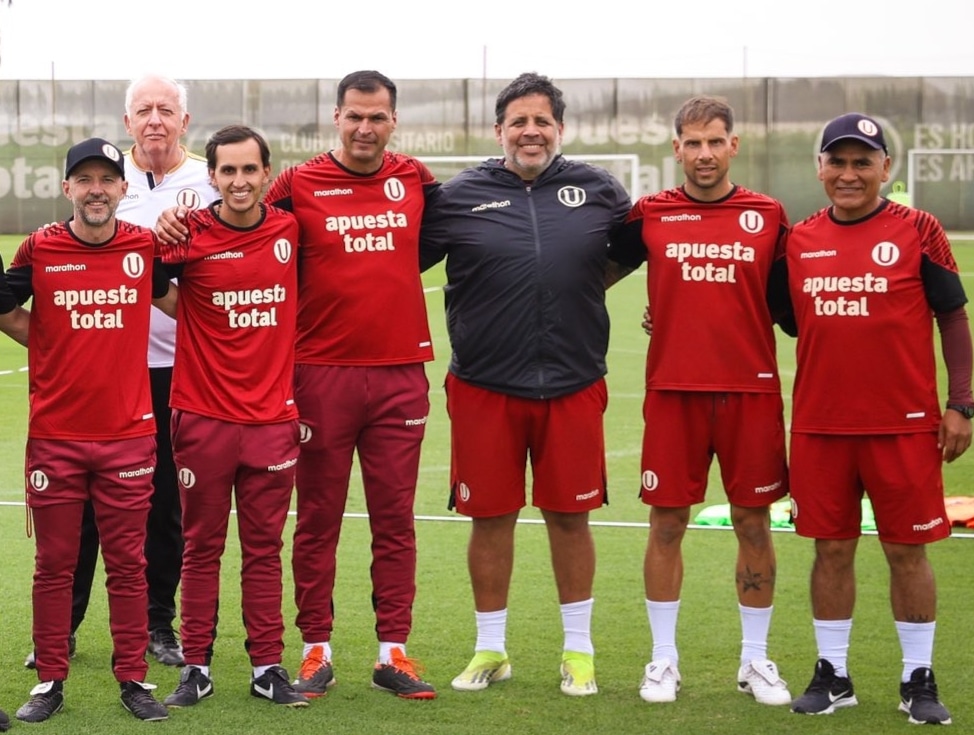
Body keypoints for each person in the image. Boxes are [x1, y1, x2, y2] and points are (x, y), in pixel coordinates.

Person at [157, 70, 439, 700]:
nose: (365, 128)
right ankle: (315, 650)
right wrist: (181, 219)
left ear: (393, 120)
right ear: (335, 117)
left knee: (395, 520)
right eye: (354, 116)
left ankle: (394, 651)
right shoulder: (298, 183)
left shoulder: (417, 179)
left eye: (378, 117)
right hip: (317, 376)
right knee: (316, 520)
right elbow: (237, 211)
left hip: (400, 375)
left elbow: (451, 243)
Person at [419, 72, 633, 697]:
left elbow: (632, 253)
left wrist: (580, 292)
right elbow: (395, 264)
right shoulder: (459, 196)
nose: (530, 131)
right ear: (499, 130)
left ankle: (579, 651)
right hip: (485, 383)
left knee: (571, 518)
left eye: (542, 121)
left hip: (572, 381)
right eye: (519, 121)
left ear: (559, 130)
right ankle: (491, 648)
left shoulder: (599, 190)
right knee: (491, 518)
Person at [784, 112, 974, 725]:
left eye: (862, 162)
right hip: (821, 427)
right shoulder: (799, 239)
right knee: (831, 552)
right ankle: (833, 674)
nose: (848, 173)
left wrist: (960, 403)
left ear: (885, 169)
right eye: (836, 162)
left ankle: (917, 678)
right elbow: (764, 312)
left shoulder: (920, 228)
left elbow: (953, 317)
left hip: (904, 425)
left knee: (907, 553)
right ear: (819, 168)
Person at [24, 74, 215, 671]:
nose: (155, 119)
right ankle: (65, 626)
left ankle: (159, 624)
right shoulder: (107, 185)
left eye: (166, 109)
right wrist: (54, 345)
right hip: (105, 374)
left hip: (182, 372)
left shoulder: (214, 181)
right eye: (143, 110)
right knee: (75, 510)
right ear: (127, 122)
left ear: (185, 120)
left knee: (164, 507)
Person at [610, 96, 792, 706]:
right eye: (692, 143)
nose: (704, 154)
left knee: (752, 522)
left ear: (733, 145)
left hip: (750, 394)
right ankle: (663, 661)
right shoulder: (651, 215)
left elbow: (794, 306)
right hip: (673, 395)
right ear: (676, 149)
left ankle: (755, 661)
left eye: (715, 142)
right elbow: (591, 274)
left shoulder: (767, 215)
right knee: (666, 524)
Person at [2, 138, 173, 723]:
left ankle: (133, 679)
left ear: (124, 189)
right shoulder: (39, 249)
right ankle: (50, 680)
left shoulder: (144, 248)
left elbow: (183, 304)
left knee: (128, 565)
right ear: (67, 188)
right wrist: (46, 343)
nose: (96, 189)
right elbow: (4, 306)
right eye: (85, 179)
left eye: (107, 178)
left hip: (129, 437)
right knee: (54, 565)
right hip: (56, 438)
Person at [154, 125, 307, 708]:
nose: (239, 182)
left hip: (272, 421)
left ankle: (268, 666)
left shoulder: (291, 229)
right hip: (203, 418)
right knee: (202, 548)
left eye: (249, 170)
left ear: (267, 174)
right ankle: (196, 666)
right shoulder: (186, 234)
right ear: (211, 176)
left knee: (265, 550)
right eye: (227, 171)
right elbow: (146, 273)